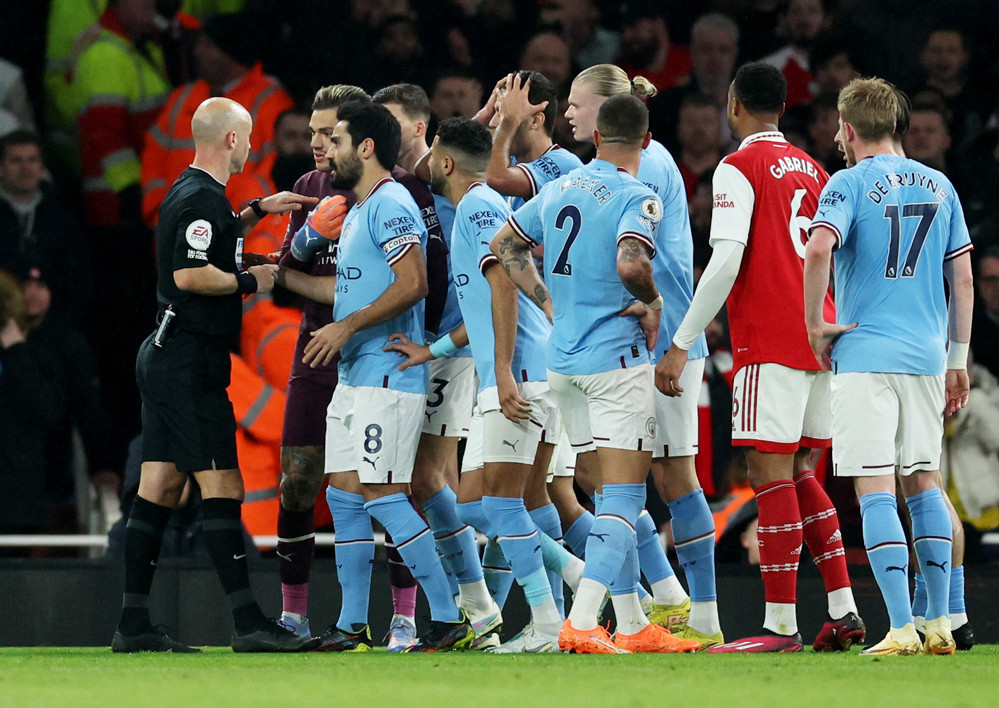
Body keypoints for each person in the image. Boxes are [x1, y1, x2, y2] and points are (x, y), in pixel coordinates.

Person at [657, 62, 863, 653]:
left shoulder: (737, 166)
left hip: (768, 341)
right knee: (800, 473)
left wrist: (681, 342)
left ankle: (780, 626)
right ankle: (843, 609)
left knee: (768, 476)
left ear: (734, 105)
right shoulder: (816, 169)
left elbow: (726, 259)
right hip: (819, 339)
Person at [491, 93, 699, 655]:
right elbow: (632, 262)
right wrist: (654, 301)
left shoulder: (561, 187)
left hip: (563, 364)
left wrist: (545, 299)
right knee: (626, 498)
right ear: (646, 141)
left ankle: (631, 623)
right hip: (614, 364)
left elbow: (505, 244)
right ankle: (582, 621)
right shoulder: (637, 195)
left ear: (598, 137)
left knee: (606, 494)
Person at [112, 97, 318, 654]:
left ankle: (132, 623)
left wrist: (257, 210)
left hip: (168, 353)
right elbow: (191, 274)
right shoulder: (201, 198)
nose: (252, 145)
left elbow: (211, 238)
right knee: (223, 484)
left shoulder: (194, 192)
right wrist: (254, 281)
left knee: (160, 485)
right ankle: (248, 622)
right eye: (248, 136)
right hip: (188, 361)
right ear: (231, 139)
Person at [281, 100, 475, 653]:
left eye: (338, 140)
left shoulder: (390, 203)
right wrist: (280, 272)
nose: (327, 150)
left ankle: (449, 618)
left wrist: (346, 327)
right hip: (353, 375)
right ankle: (351, 625)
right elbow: (351, 287)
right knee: (344, 497)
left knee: (386, 497)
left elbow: (414, 282)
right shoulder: (361, 207)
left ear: (365, 148)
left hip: (387, 377)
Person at [390, 117, 584, 652]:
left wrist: (500, 371)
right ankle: (569, 594)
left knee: (487, 506)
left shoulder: (476, 208)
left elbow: (501, 285)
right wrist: (432, 352)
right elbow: (485, 302)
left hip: (517, 373)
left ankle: (553, 613)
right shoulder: (486, 207)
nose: (426, 162)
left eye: (432, 152)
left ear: (446, 162)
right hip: (537, 368)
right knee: (514, 501)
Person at [804, 76, 974, 655]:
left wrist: (814, 325)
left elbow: (819, 248)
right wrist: (957, 358)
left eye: (839, 129)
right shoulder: (940, 185)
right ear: (897, 125)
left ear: (850, 129)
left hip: (864, 354)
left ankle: (901, 626)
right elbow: (962, 278)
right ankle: (939, 621)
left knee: (876, 488)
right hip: (926, 357)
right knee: (924, 482)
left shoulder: (847, 183)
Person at [563, 63, 722, 648]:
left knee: (670, 473)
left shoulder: (644, 164)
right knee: (602, 474)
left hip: (665, 336)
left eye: (576, 103)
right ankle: (661, 597)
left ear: (607, 109)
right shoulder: (606, 168)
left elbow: (637, 259)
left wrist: (669, 331)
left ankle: (702, 614)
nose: (568, 112)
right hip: (623, 341)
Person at [374, 83, 500, 650]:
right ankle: (473, 612)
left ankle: (482, 607)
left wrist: (492, 118)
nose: (383, 132)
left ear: (420, 129)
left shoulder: (454, 186)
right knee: (430, 482)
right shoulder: (392, 185)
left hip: (451, 345)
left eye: (393, 122)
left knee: (429, 481)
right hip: (420, 344)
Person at [141, 12, 296, 225]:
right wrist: (159, 212)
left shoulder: (271, 103)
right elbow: (154, 157)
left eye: (207, 45)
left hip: (236, 231)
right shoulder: (182, 97)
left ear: (229, 52)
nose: (197, 52)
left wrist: (230, 220)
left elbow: (273, 172)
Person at [0, 130, 88, 323]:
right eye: (16, 161)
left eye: (32, 160)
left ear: (42, 167)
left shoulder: (63, 219)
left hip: (56, 324)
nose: (26, 169)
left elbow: (78, 280)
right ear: (1, 168)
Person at [484, 71, 583, 212]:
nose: (492, 122)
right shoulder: (509, 161)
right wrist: (481, 116)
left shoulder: (564, 164)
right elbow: (455, 163)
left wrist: (508, 121)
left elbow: (497, 178)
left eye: (503, 113)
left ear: (535, 121)